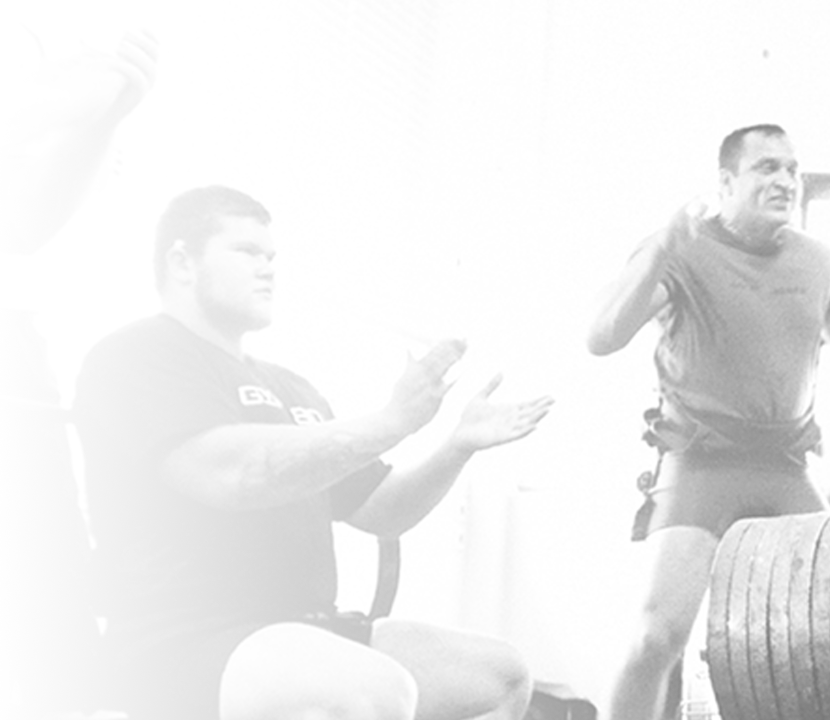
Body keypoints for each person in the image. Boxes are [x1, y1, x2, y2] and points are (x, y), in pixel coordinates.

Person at [74, 185, 554, 720]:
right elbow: (237, 474)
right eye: (247, 251)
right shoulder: (135, 356)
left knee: (499, 676)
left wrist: (457, 446)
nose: (267, 268)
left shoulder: (292, 388)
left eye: (271, 256)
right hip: (183, 639)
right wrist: (391, 422)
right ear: (182, 262)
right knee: (369, 691)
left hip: (305, 627)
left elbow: (386, 510)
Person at [587, 124, 830, 720]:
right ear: (726, 182)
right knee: (656, 638)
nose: (786, 181)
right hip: (701, 463)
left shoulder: (818, 262)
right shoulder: (682, 249)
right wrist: (660, 250)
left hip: (785, 467)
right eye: (767, 167)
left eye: (792, 169)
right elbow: (602, 336)